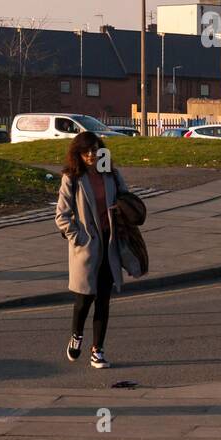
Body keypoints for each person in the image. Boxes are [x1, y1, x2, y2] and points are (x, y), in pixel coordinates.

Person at [53, 131, 139, 369]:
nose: (91, 155)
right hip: (87, 248)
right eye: (86, 151)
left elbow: (127, 199)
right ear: (78, 154)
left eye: (95, 149)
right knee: (84, 299)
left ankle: (97, 350)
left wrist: (121, 209)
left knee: (103, 299)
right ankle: (76, 335)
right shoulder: (72, 177)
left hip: (110, 244)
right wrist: (78, 238)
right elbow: (61, 216)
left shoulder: (110, 173)